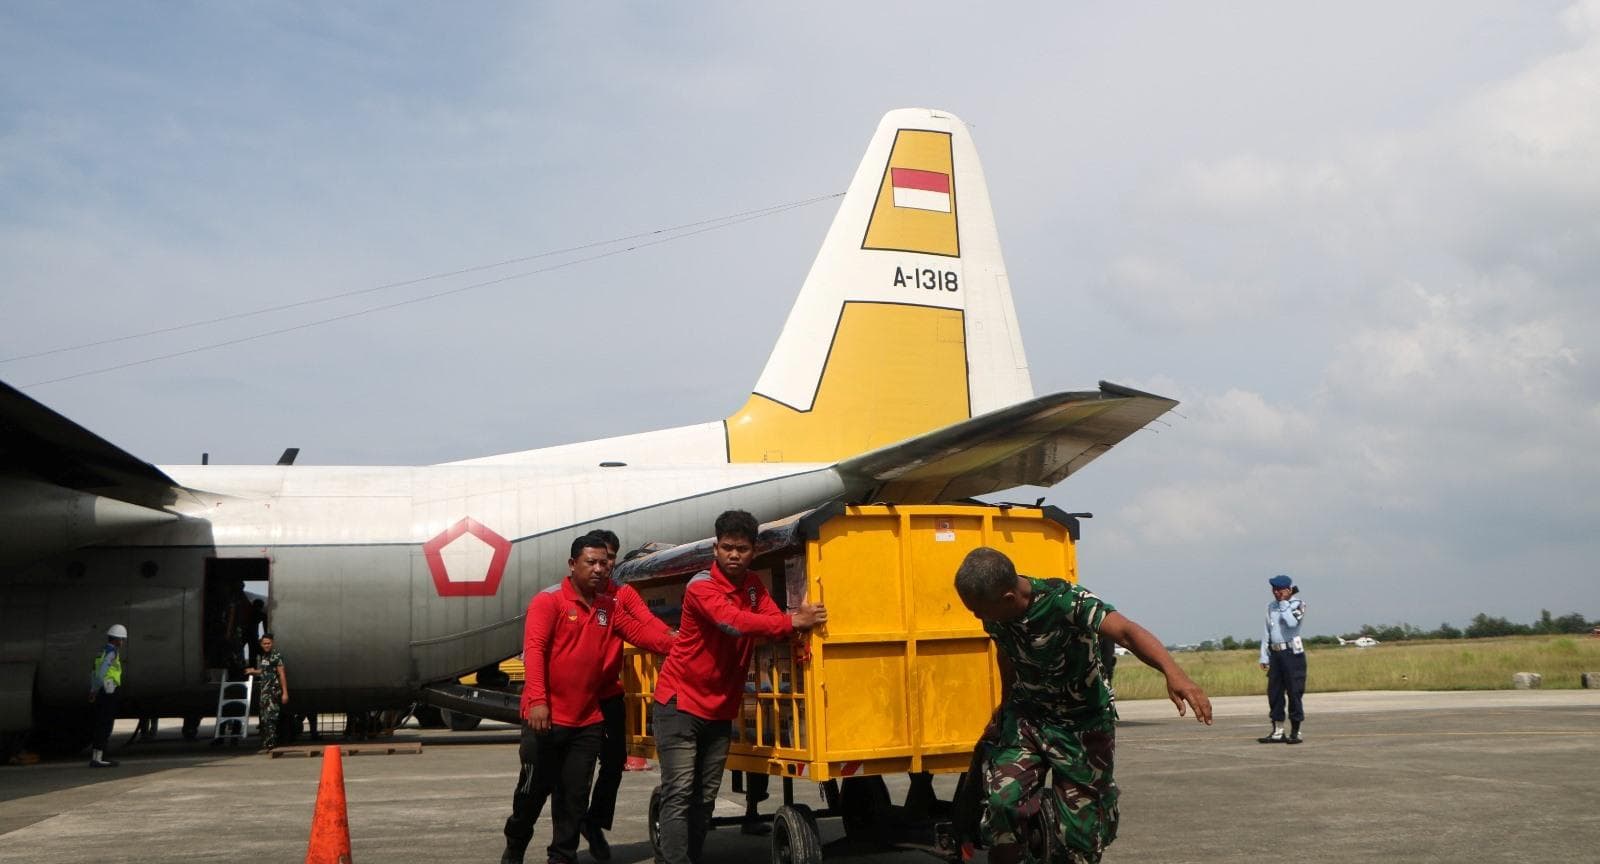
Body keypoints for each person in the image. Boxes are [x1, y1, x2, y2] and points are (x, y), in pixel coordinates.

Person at [954, 547, 1211, 864]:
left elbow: (1127, 633)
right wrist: (1006, 705)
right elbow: (1007, 653)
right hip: (1029, 720)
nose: (978, 618)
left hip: (1081, 725)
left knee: (1079, 837)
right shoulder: (996, 613)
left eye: (980, 611)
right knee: (1002, 807)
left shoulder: (1066, 602)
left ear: (1008, 598)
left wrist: (1175, 674)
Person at [651, 510, 827, 864]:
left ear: (753, 551)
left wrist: (794, 618)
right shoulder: (700, 586)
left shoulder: (751, 587)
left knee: (704, 797)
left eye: (742, 549)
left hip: (719, 707)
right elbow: (734, 623)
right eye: (728, 548)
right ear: (715, 548)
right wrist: (794, 620)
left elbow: (768, 617)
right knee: (681, 792)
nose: (734, 555)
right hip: (679, 704)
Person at [502, 534, 675, 864]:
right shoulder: (548, 601)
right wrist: (538, 700)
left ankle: (562, 857)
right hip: (546, 719)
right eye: (591, 563)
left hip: (587, 721)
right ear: (572, 565)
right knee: (532, 794)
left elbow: (641, 632)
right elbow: (534, 651)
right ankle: (515, 845)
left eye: (604, 563)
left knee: (573, 799)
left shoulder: (608, 606)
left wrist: (679, 642)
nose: (599, 569)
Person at [577, 529, 676, 861]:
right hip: (575, 697)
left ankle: (595, 822)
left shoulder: (623, 595)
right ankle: (568, 832)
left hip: (608, 692)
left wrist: (678, 640)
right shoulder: (569, 597)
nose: (605, 565)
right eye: (599, 558)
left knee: (615, 760)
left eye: (611, 558)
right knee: (576, 767)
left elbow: (648, 625)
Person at [1257, 574, 1307, 744]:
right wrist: (1264, 656)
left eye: (1279, 590)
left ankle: (1295, 731)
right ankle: (1278, 730)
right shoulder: (1271, 607)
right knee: (1275, 693)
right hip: (1276, 654)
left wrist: (1285, 603)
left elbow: (1292, 623)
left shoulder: (1298, 605)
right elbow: (1267, 632)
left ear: (1288, 589)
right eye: (1274, 589)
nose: (1276, 593)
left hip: (1292, 654)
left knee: (1294, 692)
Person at [88, 624, 127, 768]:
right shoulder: (112, 653)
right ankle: (100, 758)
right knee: (106, 724)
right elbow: (102, 671)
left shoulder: (101, 652)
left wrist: (93, 690)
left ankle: (97, 756)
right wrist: (98, 687)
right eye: (121, 639)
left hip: (100, 690)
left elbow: (93, 672)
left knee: (100, 723)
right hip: (109, 689)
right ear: (116, 640)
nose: (122, 642)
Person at [244, 633, 288, 752]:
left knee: (271, 718)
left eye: (268, 643)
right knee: (264, 718)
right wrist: (253, 671)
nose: (267, 645)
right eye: (264, 644)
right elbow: (264, 671)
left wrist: (285, 693)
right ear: (261, 644)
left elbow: (282, 674)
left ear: (272, 643)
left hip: (273, 692)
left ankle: (271, 743)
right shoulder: (264, 657)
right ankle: (267, 742)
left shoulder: (276, 656)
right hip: (264, 692)